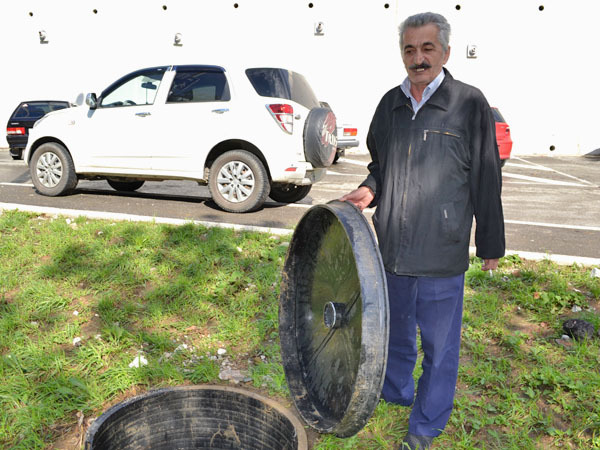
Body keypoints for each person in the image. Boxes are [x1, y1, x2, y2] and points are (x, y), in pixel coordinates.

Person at [340, 12, 505, 450]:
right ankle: (395, 393)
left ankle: (427, 424)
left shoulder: (468, 103)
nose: (418, 58)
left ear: (445, 52)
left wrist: (490, 242)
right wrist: (368, 190)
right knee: (394, 331)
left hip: (440, 249)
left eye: (427, 48)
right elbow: (381, 165)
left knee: (439, 346)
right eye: (410, 49)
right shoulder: (389, 104)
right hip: (392, 247)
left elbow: (486, 175)